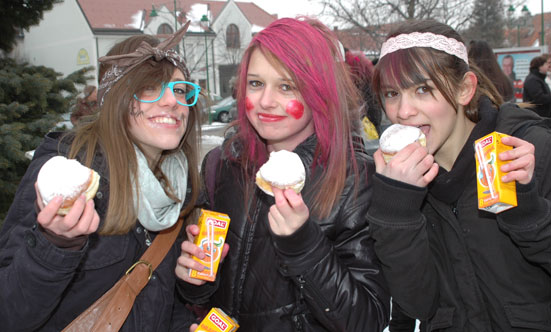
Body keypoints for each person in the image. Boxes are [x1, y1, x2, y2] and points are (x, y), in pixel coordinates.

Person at [176, 17, 390, 331]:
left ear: (319, 92)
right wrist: (194, 281)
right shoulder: (222, 164)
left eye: (286, 86)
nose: (265, 101)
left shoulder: (355, 181)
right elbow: (207, 290)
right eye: (256, 83)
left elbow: (367, 320)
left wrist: (303, 244)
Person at [0, 23, 201, 331]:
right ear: (115, 99)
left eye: (180, 90)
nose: (172, 101)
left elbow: (153, 302)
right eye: (149, 89)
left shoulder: (177, 188)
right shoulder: (68, 174)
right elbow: (10, 314)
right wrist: (55, 245)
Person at [367, 19, 551, 331]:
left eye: (423, 89)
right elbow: (417, 305)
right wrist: (396, 213)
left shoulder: (525, 150)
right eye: (392, 93)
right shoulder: (395, 179)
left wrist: (528, 211)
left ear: (465, 88)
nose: (402, 111)